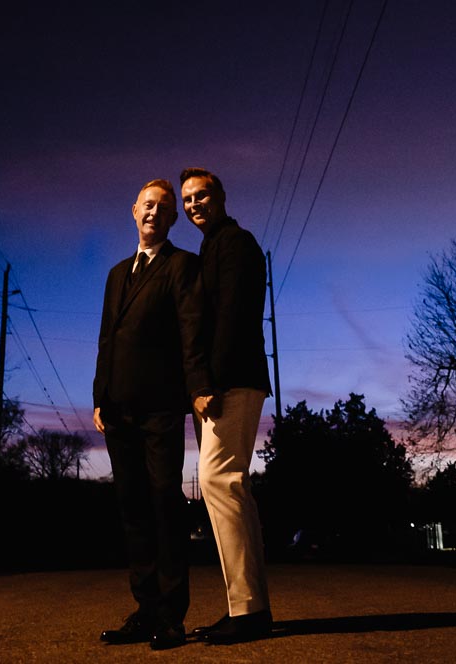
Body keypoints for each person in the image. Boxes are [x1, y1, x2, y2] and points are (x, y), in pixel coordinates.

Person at [93, 178, 209, 651]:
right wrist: (100, 395)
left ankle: (171, 616)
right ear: (133, 210)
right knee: (133, 509)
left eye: (163, 207)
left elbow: (191, 330)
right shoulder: (117, 273)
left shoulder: (183, 266)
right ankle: (143, 611)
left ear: (171, 219)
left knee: (164, 502)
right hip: (117, 409)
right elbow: (107, 338)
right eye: (147, 205)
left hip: (160, 406)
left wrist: (198, 387)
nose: (153, 213)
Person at [179, 166, 274, 645]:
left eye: (201, 195)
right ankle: (250, 606)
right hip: (230, 381)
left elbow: (232, 318)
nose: (193, 204)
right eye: (187, 200)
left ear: (220, 196)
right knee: (233, 487)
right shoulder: (213, 245)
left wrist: (208, 384)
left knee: (219, 480)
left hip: (231, 382)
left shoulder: (234, 242)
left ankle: (249, 611)